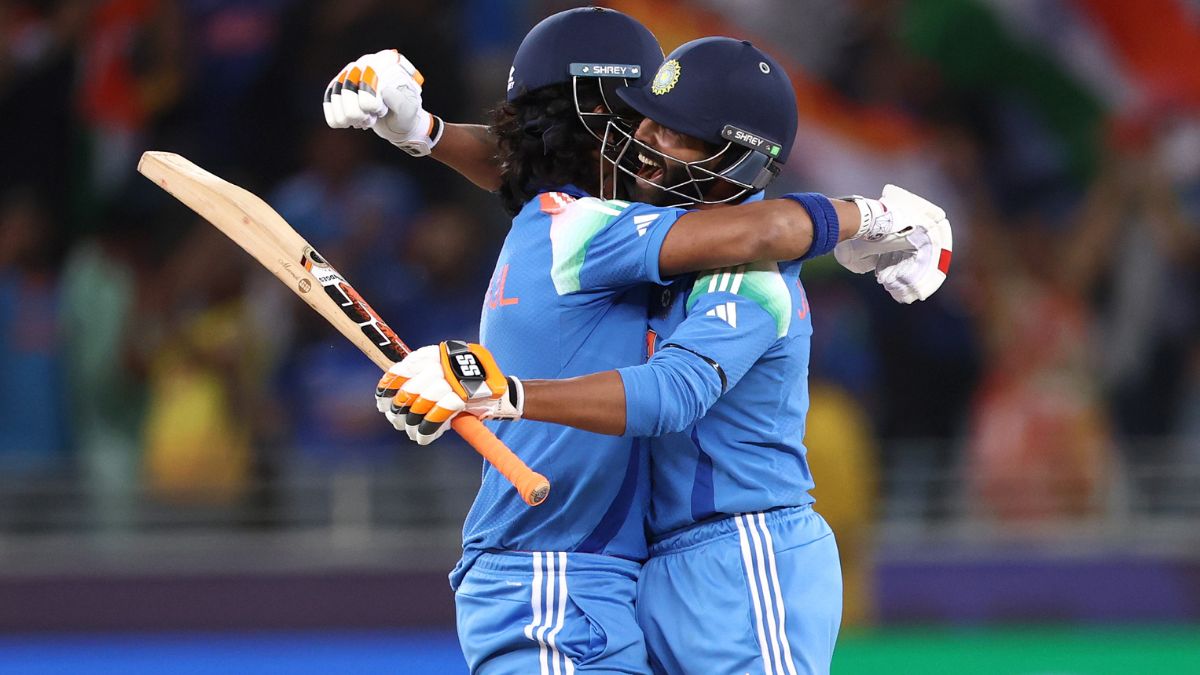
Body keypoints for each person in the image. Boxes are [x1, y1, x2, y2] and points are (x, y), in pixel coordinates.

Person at [326, 9, 948, 674]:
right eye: (640, 119)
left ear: (731, 160)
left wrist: (876, 215)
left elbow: (675, 386)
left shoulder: (743, 265)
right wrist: (422, 131)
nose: (644, 139)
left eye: (671, 131)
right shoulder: (599, 224)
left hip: (741, 551)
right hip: (622, 569)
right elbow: (536, 168)